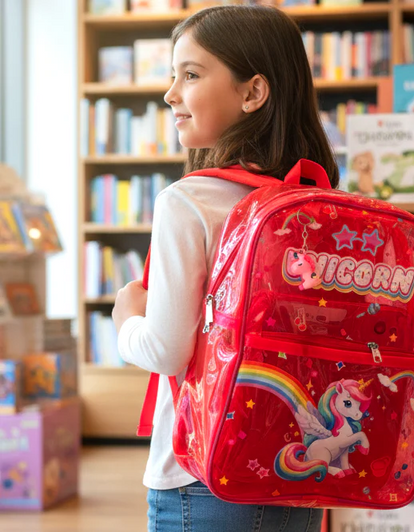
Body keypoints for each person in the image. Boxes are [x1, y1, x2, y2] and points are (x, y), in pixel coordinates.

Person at [111, 5, 338, 531]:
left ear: (253, 92)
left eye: (190, 75)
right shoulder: (316, 203)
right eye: (173, 75)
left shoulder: (188, 202)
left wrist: (126, 319)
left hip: (202, 473)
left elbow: (167, 351)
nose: (170, 94)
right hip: (299, 468)